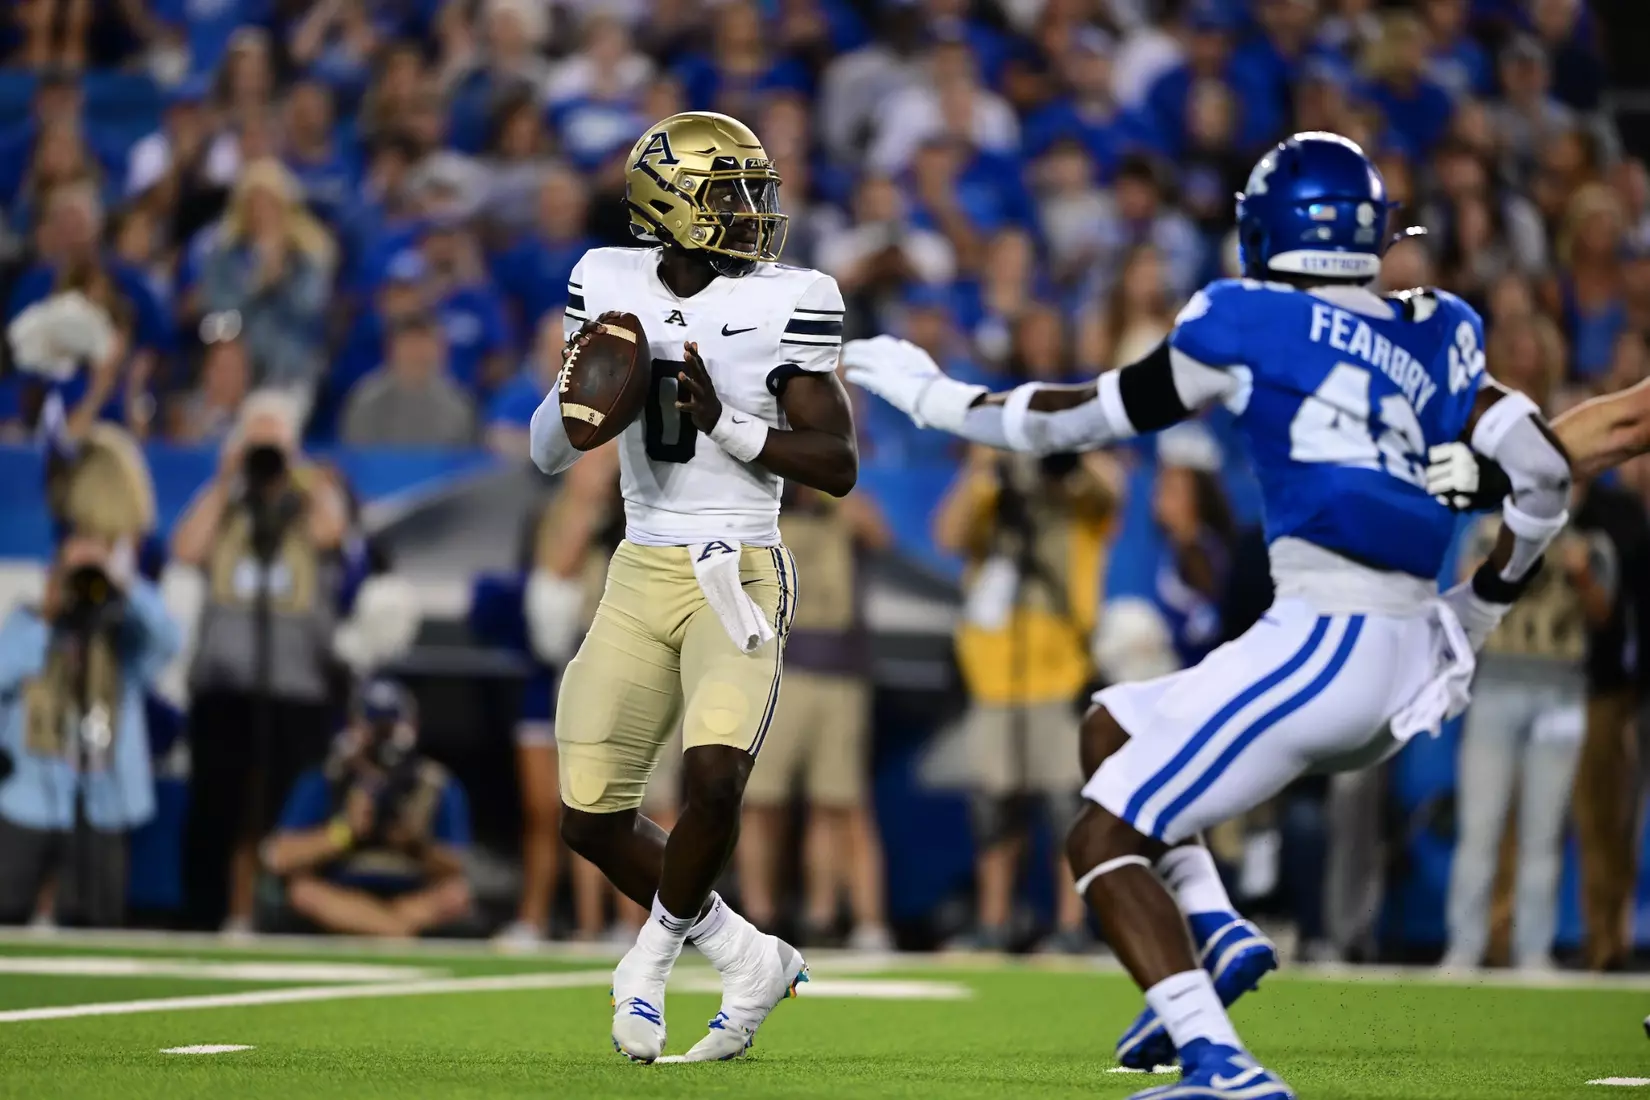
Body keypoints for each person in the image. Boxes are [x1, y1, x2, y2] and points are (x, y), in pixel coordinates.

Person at [845, 132, 1571, 1099]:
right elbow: (1547, 474)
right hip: (1400, 645)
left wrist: (932, 397)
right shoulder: (1433, 329)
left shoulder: (1247, 318)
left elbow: (1076, 418)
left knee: (1101, 838)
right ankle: (1216, 927)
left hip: (1328, 638)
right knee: (1110, 724)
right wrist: (1482, 605)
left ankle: (1219, 1061)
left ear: (1268, 227)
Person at [527, 110, 858, 1064]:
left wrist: (728, 425)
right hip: (638, 565)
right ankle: (744, 953)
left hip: (740, 567)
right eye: (729, 195)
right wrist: (586, 396)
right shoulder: (606, 279)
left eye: (756, 192)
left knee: (716, 774)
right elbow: (548, 450)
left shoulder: (793, 299)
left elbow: (835, 464)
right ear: (664, 205)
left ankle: (648, 962)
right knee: (589, 817)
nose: (753, 213)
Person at [170, 391, 350, 934]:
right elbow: (186, 549)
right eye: (257, 442)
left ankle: (277, 917)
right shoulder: (227, 505)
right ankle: (206, 915)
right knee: (216, 807)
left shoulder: (307, 500)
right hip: (224, 684)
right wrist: (229, 477)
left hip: (295, 686)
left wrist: (298, 471)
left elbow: (331, 531)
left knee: (285, 805)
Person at [933, 444, 1116, 952]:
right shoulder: (993, 495)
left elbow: (1111, 491)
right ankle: (995, 924)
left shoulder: (1079, 494)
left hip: (1061, 670)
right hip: (994, 673)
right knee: (995, 807)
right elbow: (948, 535)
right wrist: (982, 468)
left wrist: (1062, 454)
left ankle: (1071, 925)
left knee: (1066, 807)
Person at [737, 483, 891, 950]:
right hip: (770, 665)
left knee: (836, 801)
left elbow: (878, 534)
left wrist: (827, 488)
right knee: (761, 803)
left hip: (839, 671)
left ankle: (825, 917)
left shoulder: (837, 502)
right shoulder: (755, 498)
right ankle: (757, 917)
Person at [0, 533, 180, 927]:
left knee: (98, 922)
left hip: (103, 799)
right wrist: (48, 616)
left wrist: (122, 582)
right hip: (27, 799)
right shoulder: (26, 624)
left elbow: (169, 641)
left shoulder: (122, 639)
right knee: (6, 912)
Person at [263, 679, 472, 937]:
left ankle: (377, 926)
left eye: (390, 726)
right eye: (374, 726)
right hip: (341, 892)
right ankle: (393, 930)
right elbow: (277, 857)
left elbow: (456, 865)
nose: (381, 738)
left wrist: (415, 844)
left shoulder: (434, 783)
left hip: (409, 896)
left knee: (455, 893)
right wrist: (344, 832)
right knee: (303, 891)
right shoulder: (328, 778)